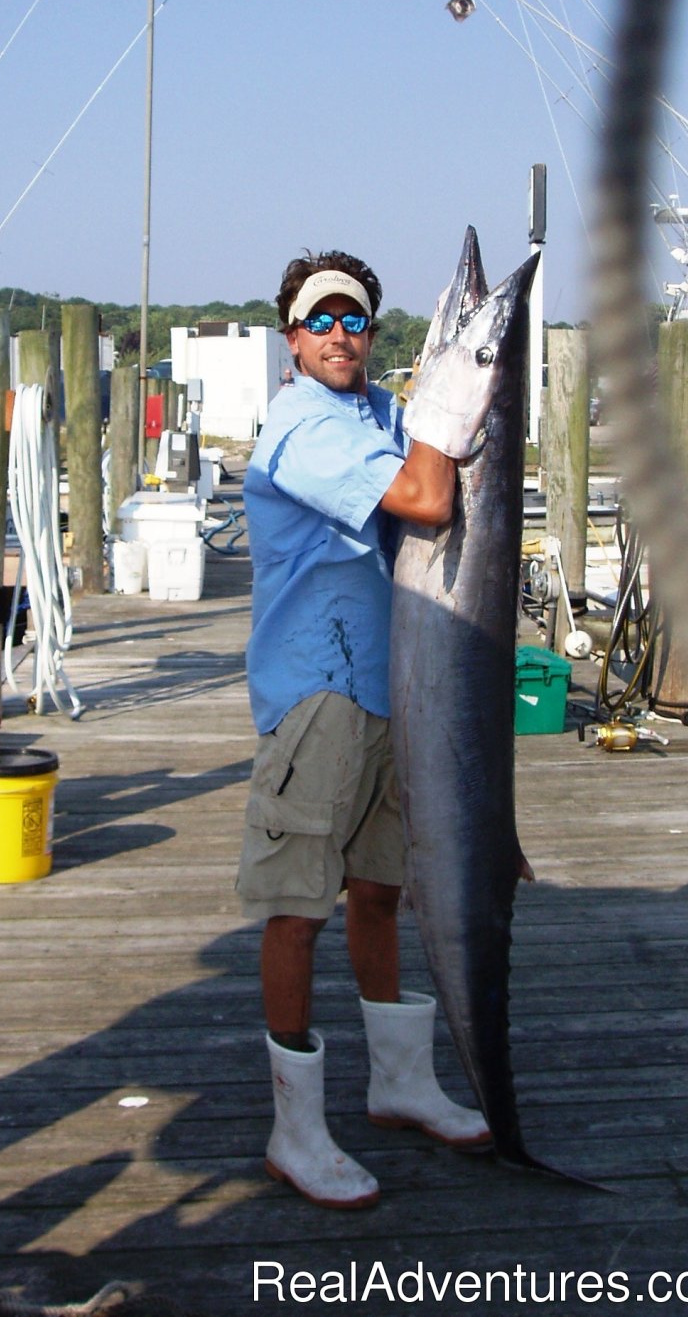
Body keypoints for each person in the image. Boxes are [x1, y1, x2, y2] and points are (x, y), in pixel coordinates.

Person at [237, 249, 491, 1210]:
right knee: (299, 905)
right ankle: (294, 1129)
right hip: (317, 694)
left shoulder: (382, 414)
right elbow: (429, 498)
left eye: (355, 322)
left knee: (381, 893)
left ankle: (399, 1083)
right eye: (322, 320)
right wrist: (453, 401)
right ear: (292, 338)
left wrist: (440, 402)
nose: (341, 335)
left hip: (394, 691)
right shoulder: (300, 426)